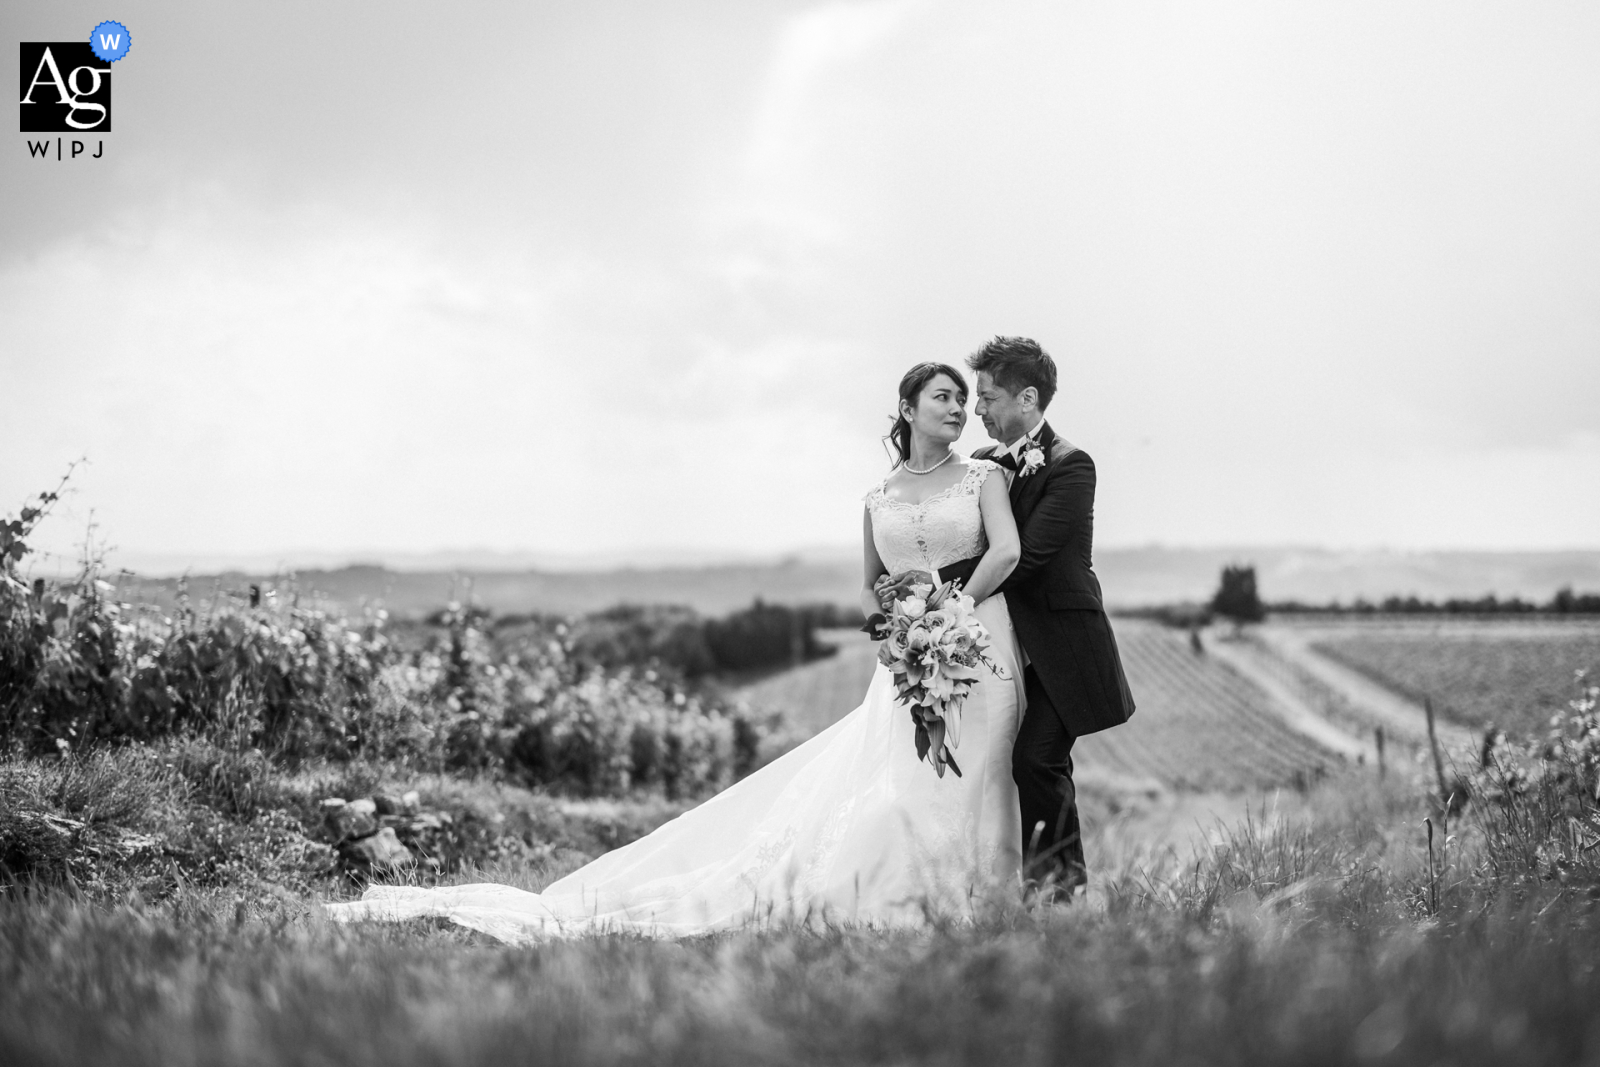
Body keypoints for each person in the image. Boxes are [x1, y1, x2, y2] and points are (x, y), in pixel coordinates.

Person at [324, 362, 1026, 942]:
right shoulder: (877, 497)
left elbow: (1008, 550)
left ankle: (981, 900)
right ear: (906, 405)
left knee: (978, 775)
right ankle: (900, 892)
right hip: (906, 658)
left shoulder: (983, 478)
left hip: (977, 644)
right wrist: (894, 632)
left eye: (964, 400)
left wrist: (947, 602)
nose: (958, 408)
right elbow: (870, 582)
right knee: (904, 778)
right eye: (943, 396)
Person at [897, 336, 1136, 894]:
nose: (975, 409)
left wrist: (933, 592)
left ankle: (1061, 892)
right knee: (995, 764)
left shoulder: (1072, 467)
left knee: (1037, 760)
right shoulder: (982, 466)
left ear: (1027, 399)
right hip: (998, 646)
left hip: (1063, 648)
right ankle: (992, 882)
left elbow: (1023, 558)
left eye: (986, 397)